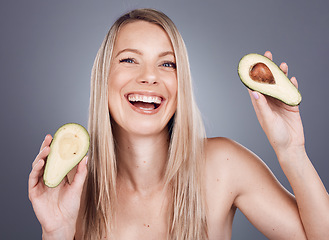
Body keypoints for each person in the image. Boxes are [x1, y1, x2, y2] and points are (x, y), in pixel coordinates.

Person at [28, 8, 329, 240]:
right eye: (129, 60)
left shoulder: (224, 165)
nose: (150, 76)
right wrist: (55, 233)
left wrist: (292, 151)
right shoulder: (74, 191)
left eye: (167, 63)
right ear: (103, 79)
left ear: (180, 84)